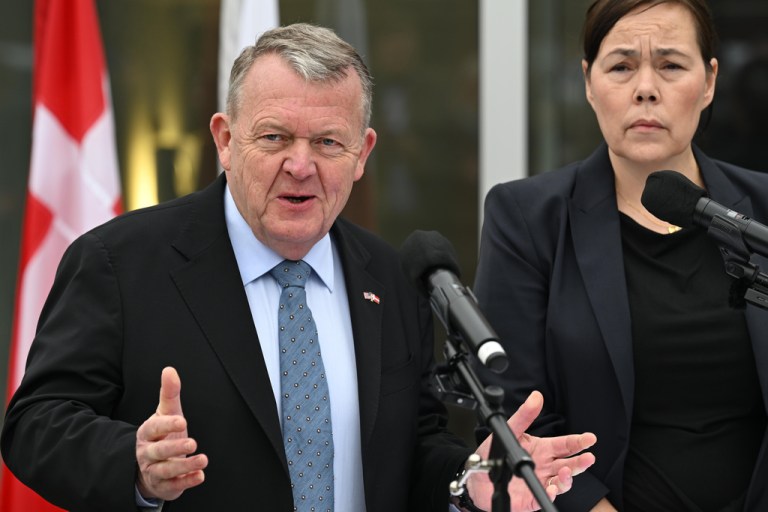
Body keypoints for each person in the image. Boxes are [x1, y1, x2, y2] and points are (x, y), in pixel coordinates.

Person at [1, 23, 597, 512]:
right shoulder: (120, 263)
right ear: (226, 139)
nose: (301, 165)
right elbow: (34, 425)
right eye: (274, 137)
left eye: (328, 144)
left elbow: (413, 446)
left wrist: (471, 481)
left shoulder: (389, 276)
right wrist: (132, 458)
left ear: (362, 154)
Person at [472, 1, 768, 511]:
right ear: (590, 82)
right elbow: (512, 409)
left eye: (672, 65)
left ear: (710, 81)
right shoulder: (528, 219)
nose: (646, 88)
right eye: (622, 66)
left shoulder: (761, 213)